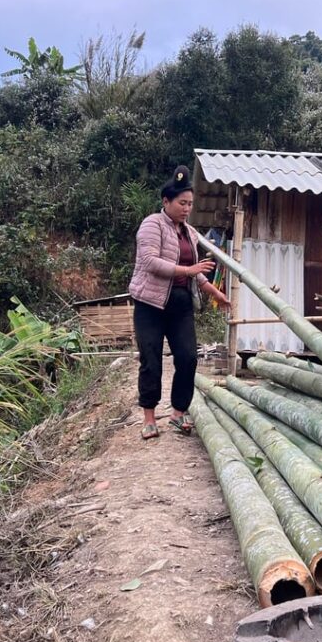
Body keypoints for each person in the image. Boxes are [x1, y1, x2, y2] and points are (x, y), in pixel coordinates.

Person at [128, 165, 231, 439]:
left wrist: (214, 292)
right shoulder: (152, 225)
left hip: (180, 304)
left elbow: (196, 270)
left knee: (188, 358)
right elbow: (150, 263)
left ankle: (177, 412)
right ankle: (149, 418)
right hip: (150, 304)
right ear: (166, 201)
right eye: (182, 203)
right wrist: (189, 272)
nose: (187, 209)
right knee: (151, 360)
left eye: (190, 204)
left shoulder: (190, 233)